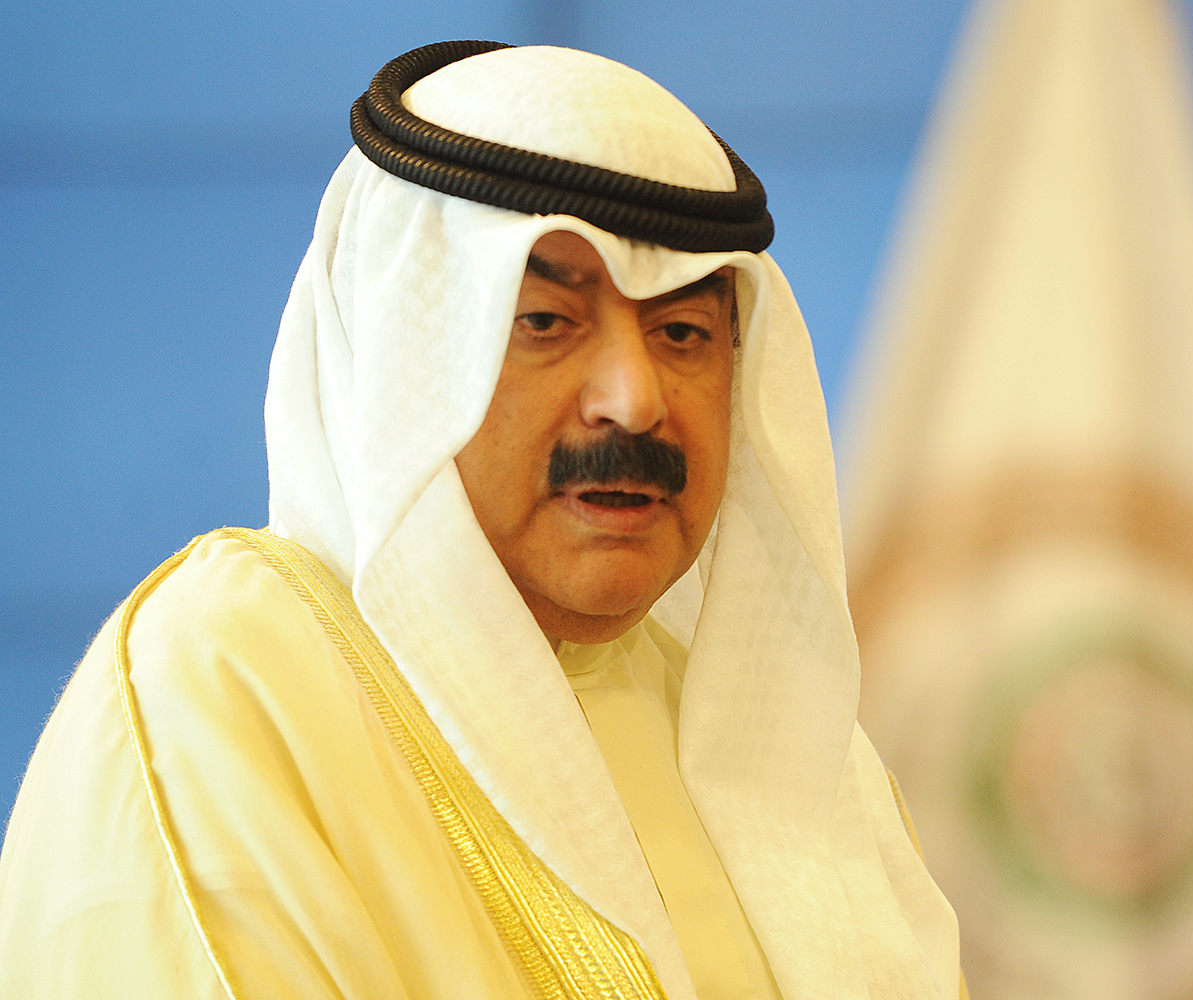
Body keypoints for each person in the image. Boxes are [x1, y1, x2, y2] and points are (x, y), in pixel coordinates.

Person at [0, 41, 962, 1000]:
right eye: (544, 321)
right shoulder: (229, 685)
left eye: (682, 333)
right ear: (403, 361)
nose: (634, 401)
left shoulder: (793, 766)